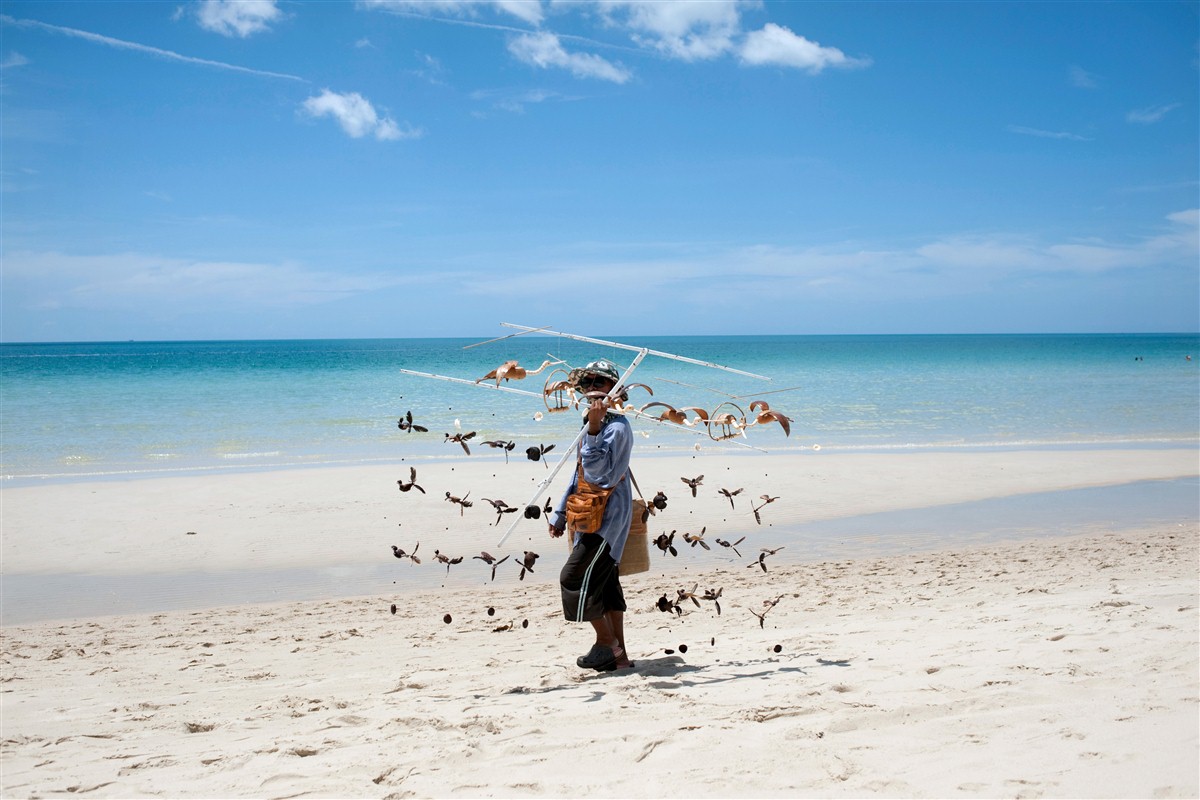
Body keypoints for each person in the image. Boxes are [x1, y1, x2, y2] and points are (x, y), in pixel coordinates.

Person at [547, 359, 635, 672]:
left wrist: (595, 430)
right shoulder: (593, 424)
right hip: (589, 513)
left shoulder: (615, 427)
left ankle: (605, 643)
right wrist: (560, 514)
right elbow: (579, 473)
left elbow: (599, 476)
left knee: (572, 578)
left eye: (600, 382)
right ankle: (620, 656)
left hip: (607, 520)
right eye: (588, 383)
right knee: (605, 584)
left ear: (615, 388)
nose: (592, 388)